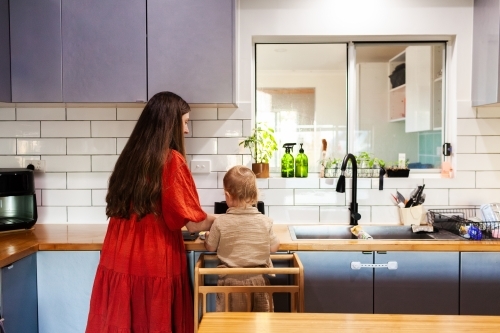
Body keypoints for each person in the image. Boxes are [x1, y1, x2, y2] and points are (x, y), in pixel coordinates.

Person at [85, 91, 216, 333]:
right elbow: (194, 225)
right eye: (185, 123)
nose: (186, 131)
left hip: (118, 253)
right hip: (153, 257)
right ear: (171, 124)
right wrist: (234, 217)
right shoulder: (171, 161)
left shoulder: (129, 158)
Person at [204, 165, 280, 312]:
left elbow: (211, 247)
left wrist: (207, 237)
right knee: (260, 325)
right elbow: (274, 247)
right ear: (255, 194)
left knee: (232, 325)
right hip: (259, 282)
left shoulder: (220, 222)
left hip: (230, 284)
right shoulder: (266, 221)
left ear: (227, 195)